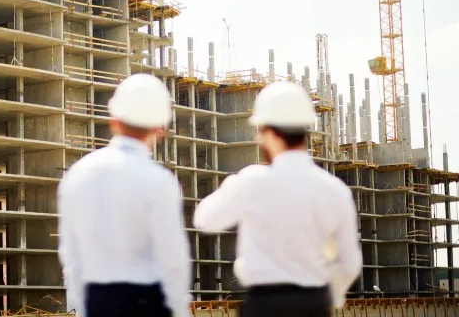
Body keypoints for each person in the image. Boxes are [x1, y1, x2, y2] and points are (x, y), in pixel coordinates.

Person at [193, 81, 362, 317]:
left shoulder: (252, 182)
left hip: (264, 306)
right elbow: (350, 264)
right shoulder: (335, 190)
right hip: (314, 305)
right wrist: (325, 298)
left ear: (268, 132)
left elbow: (205, 219)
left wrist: (235, 184)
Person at [58, 73, 191, 317]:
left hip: (98, 300)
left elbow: (71, 254)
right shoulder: (160, 181)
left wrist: (84, 307)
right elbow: (173, 261)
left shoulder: (78, 175)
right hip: (148, 302)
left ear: (114, 120)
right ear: (159, 128)